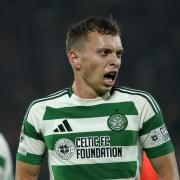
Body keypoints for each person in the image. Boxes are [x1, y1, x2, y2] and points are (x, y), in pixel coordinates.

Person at [16, 17, 179, 180]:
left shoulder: (140, 106)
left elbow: (169, 174)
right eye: (104, 53)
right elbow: (25, 177)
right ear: (75, 59)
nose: (115, 61)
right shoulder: (41, 112)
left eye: (118, 54)